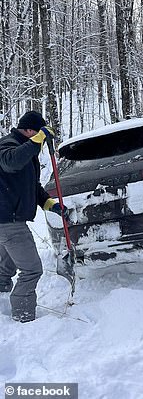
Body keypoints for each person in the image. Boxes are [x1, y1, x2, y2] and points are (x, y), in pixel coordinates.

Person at [0, 111, 67, 323]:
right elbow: (11, 162)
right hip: (8, 221)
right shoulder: (7, 145)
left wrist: (50, 204)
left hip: (8, 219)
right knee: (32, 270)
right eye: (38, 135)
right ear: (30, 131)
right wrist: (39, 139)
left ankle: (1, 297)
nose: (40, 141)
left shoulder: (26, 151)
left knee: (6, 267)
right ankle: (23, 316)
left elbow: (32, 186)